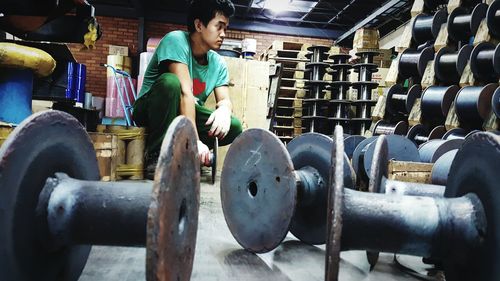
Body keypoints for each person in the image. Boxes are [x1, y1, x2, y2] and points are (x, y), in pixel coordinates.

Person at [132, 0, 243, 179]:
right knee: (170, 82)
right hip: (152, 108)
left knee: (234, 126)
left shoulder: (218, 62)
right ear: (199, 25)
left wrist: (224, 109)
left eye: (226, 28)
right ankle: (156, 156)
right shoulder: (176, 40)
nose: (223, 34)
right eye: (219, 27)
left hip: (186, 111)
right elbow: (185, 91)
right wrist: (195, 140)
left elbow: (224, 99)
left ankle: (184, 151)